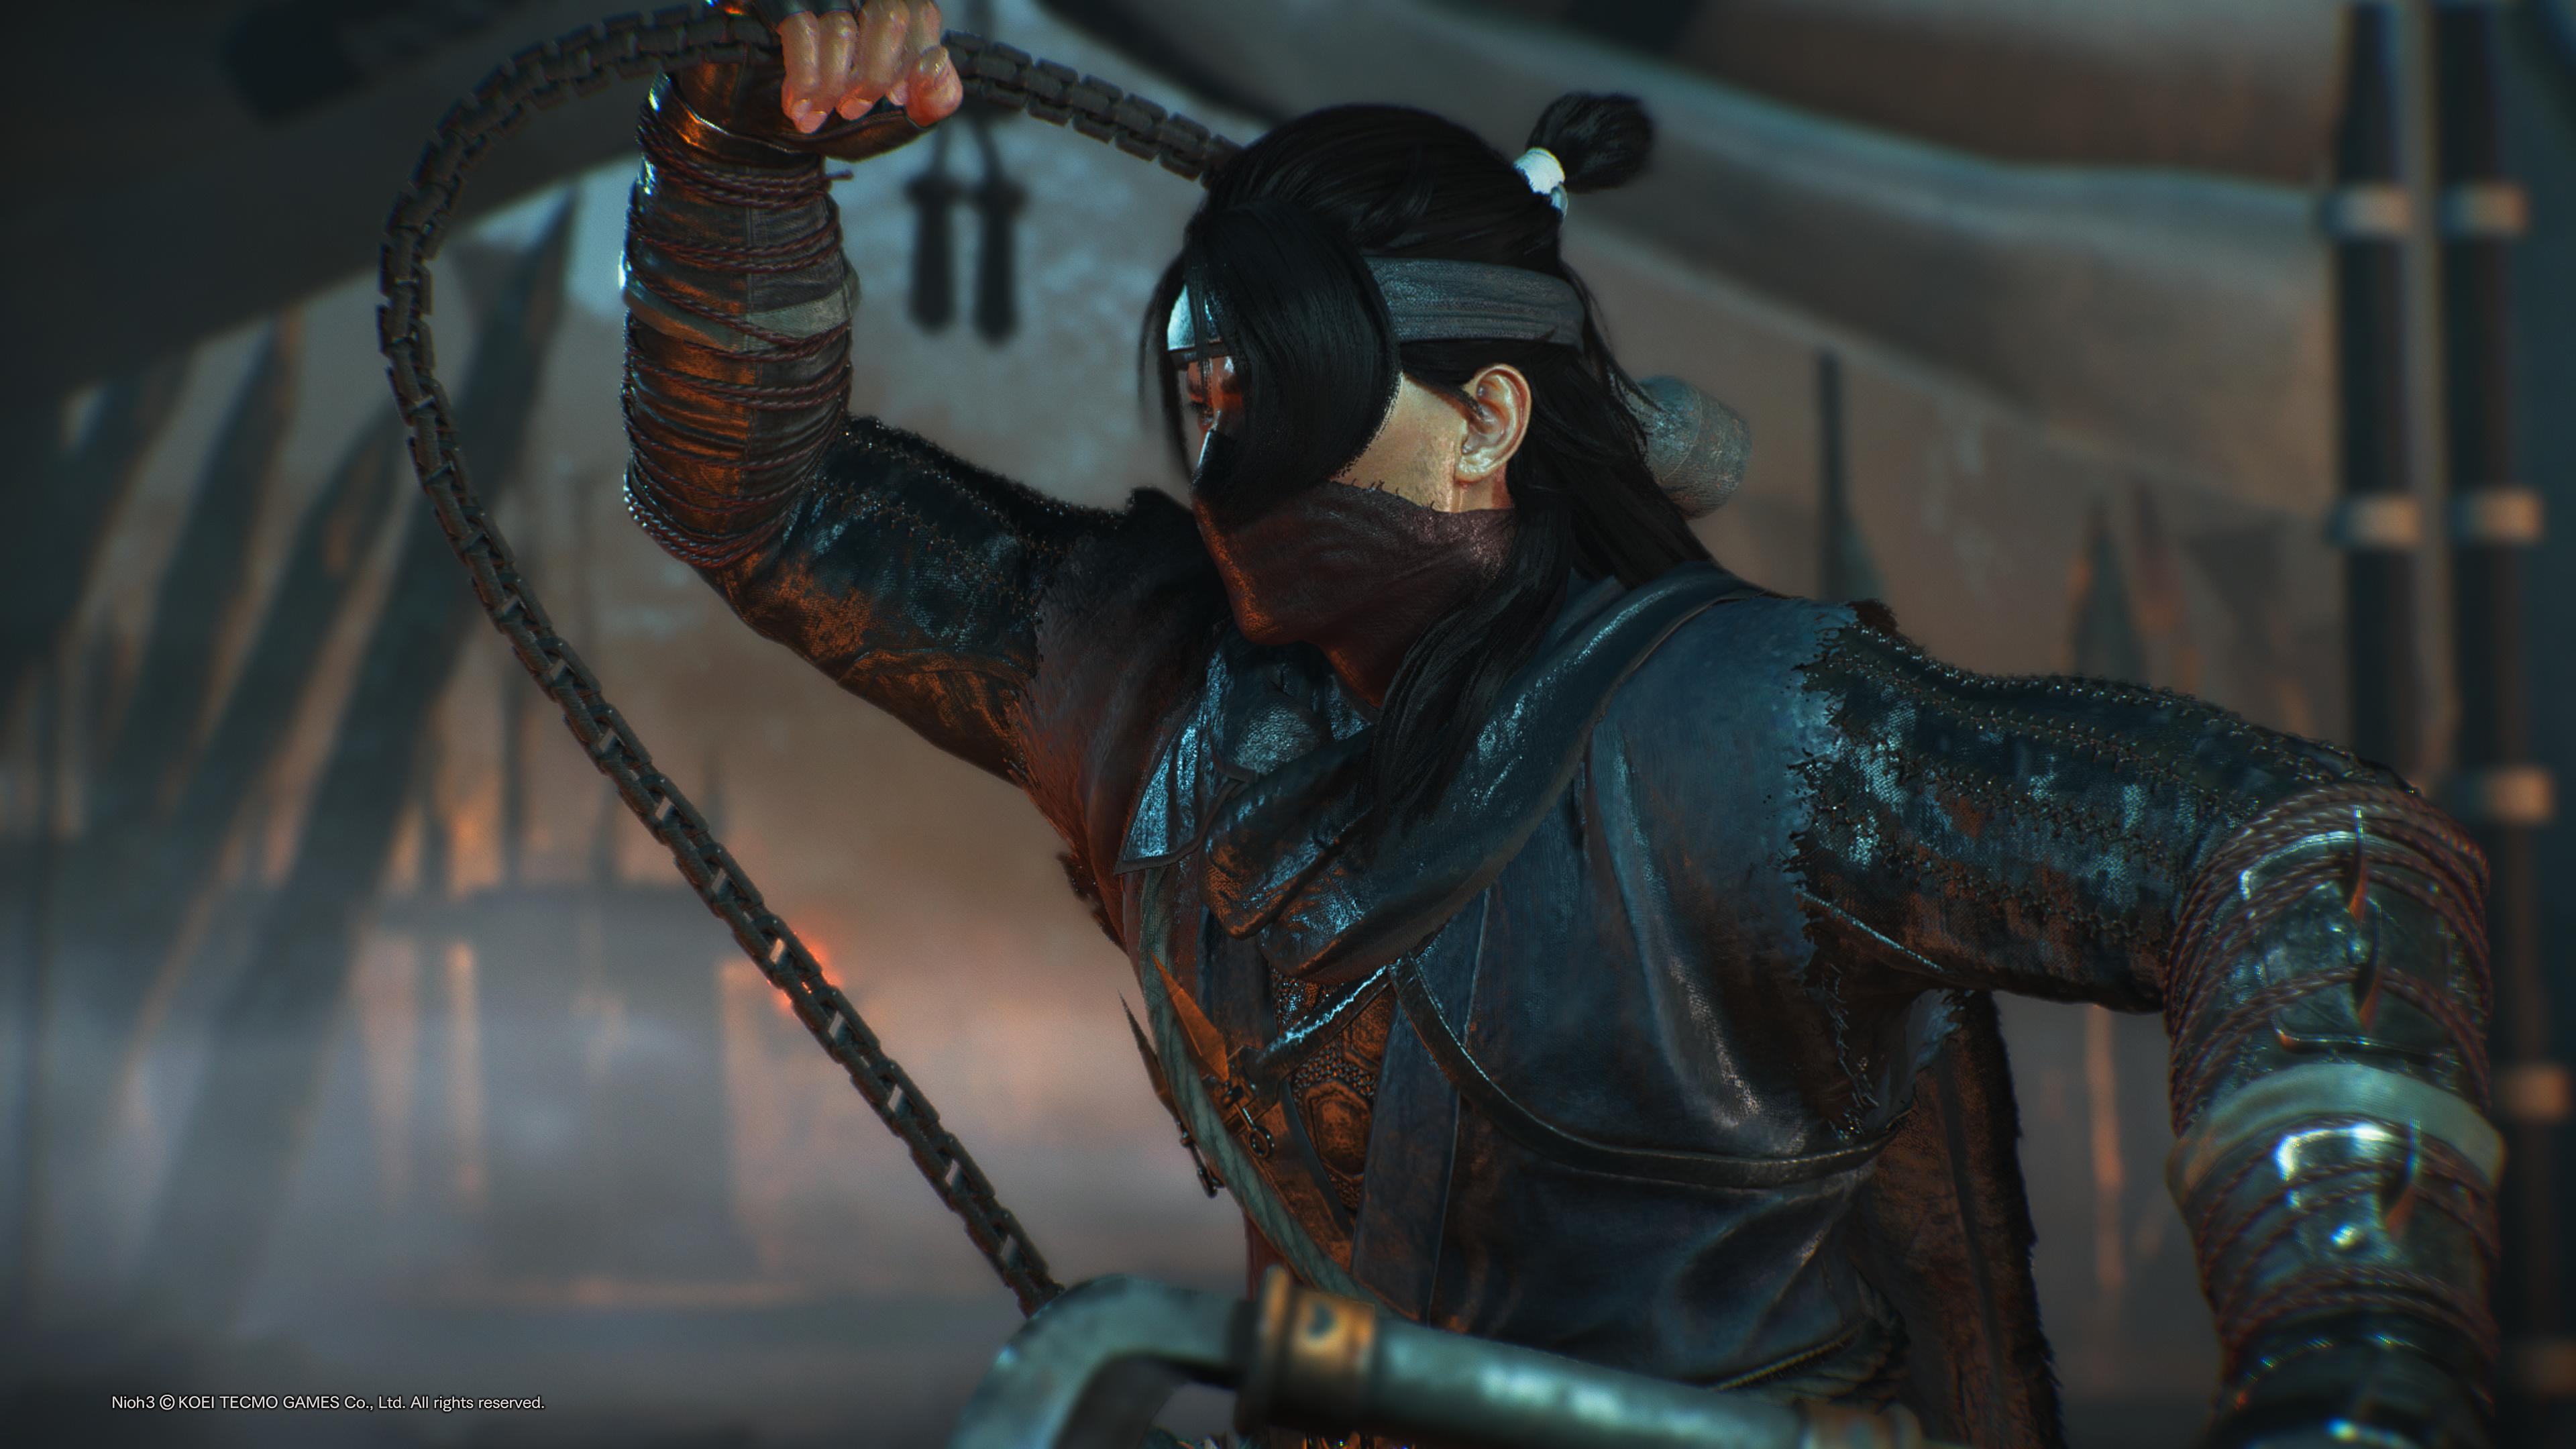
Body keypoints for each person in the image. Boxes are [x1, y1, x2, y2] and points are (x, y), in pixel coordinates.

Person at [619, 3, 2501, 1445]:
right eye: (1207, 396)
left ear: (1489, 425)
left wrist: (2355, 1360)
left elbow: (2294, 851)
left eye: (1287, 393)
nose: (1229, 460)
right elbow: (761, 503)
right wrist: (740, 156)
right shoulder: (1155, 696)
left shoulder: (1745, 740)